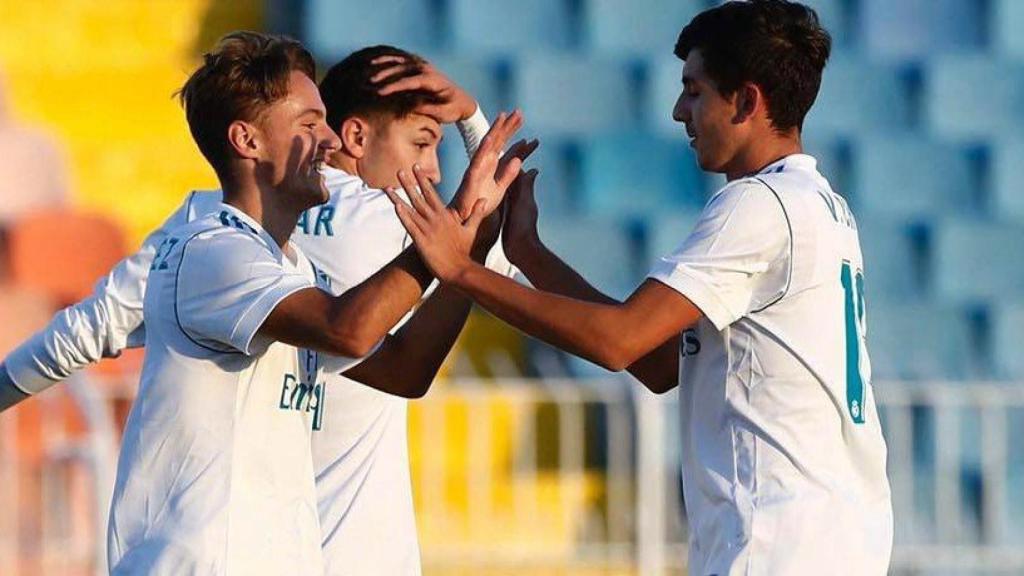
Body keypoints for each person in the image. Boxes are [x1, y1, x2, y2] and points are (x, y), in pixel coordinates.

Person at [385, 1, 893, 574]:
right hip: (831, 543)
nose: (679, 111)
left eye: (695, 90)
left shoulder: (760, 205)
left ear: (747, 101)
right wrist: (528, 255)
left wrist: (461, 271)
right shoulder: (822, 205)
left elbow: (618, 340)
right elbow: (657, 363)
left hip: (778, 547)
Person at [0, 42, 530, 574]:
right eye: (310, 123)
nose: (328, 142)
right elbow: (348, 329)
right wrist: (459, 222)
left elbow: (403, 368)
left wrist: (466, 249)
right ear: (247, 140)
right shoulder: (213, 251)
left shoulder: (286, 266)